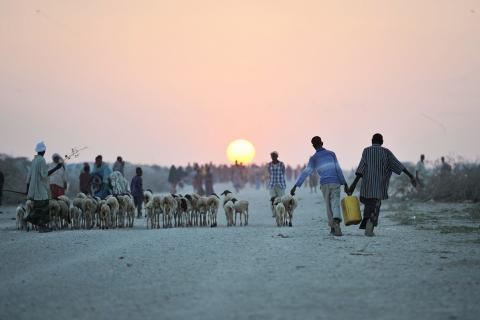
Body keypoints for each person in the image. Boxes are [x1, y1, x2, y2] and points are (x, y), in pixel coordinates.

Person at [348, 133, 416, 236]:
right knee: (375, 207)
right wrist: (411, 176)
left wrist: (353, 185)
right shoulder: (386, 152)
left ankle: (367, 224)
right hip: (379, 187)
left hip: (366, 187)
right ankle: (369, 227)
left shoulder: (366, 151)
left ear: (372, 141)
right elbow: (398, 165)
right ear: (382, 142)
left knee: (368, 206)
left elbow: (360, 170)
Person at [290, 136, 348, 236]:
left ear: (313, 146)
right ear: (322, 142)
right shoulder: (331, 154)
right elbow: (338, 169)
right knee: (335, 203)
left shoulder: (313, 158)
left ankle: (333, 228)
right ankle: (337, 220)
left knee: (328, 206)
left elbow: (306, 172)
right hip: (335, 182)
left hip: (325, 183)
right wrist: (345, 183)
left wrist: (296, 186)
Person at [24, 142, 63, 232]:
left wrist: (27, 190)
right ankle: (39, 225)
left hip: (34, 190)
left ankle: (31, 219)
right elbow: (44, 175)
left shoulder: (34, 160)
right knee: (44, 208)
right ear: (44, 151)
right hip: (40, 190)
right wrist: (56, 168)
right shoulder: (42, 160)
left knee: (37, 207)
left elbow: (28, 176)